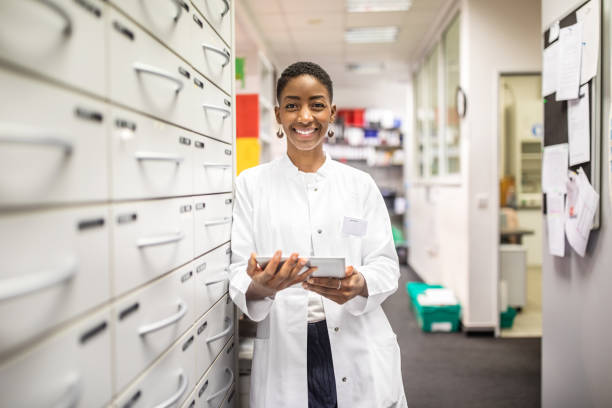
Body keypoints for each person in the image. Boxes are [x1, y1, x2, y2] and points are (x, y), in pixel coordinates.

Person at [229, 61, 407, 408]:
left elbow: (386, 265)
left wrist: (360, 284)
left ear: (332, 112)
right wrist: (261, 286)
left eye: (317, 104)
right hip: (287, 344)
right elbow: (238, 269)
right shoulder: (251, 185)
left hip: (355, 335)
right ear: (279, 114)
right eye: (293, 105)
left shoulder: (359, 185)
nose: (305, 117)